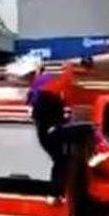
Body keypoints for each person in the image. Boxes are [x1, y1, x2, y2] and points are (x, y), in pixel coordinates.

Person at [27, 63, 73, 205]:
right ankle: (54, 193)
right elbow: (58, 116)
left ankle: (55, 193)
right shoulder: (50, 98)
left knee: (60, 161)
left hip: (45, 133)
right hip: (50, 133)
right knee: (61, 161)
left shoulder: (40, 97)